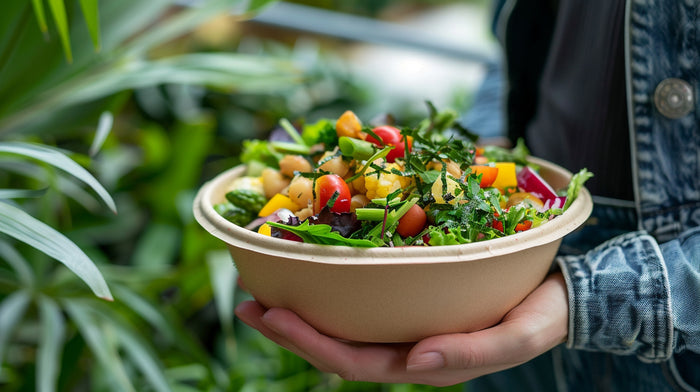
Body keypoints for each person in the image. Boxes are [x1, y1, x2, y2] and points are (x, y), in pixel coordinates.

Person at [235, 0, 700, 390]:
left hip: (672, 347)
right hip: (498, 281)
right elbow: (513, 54)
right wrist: (489, 144)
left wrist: (592, 301)